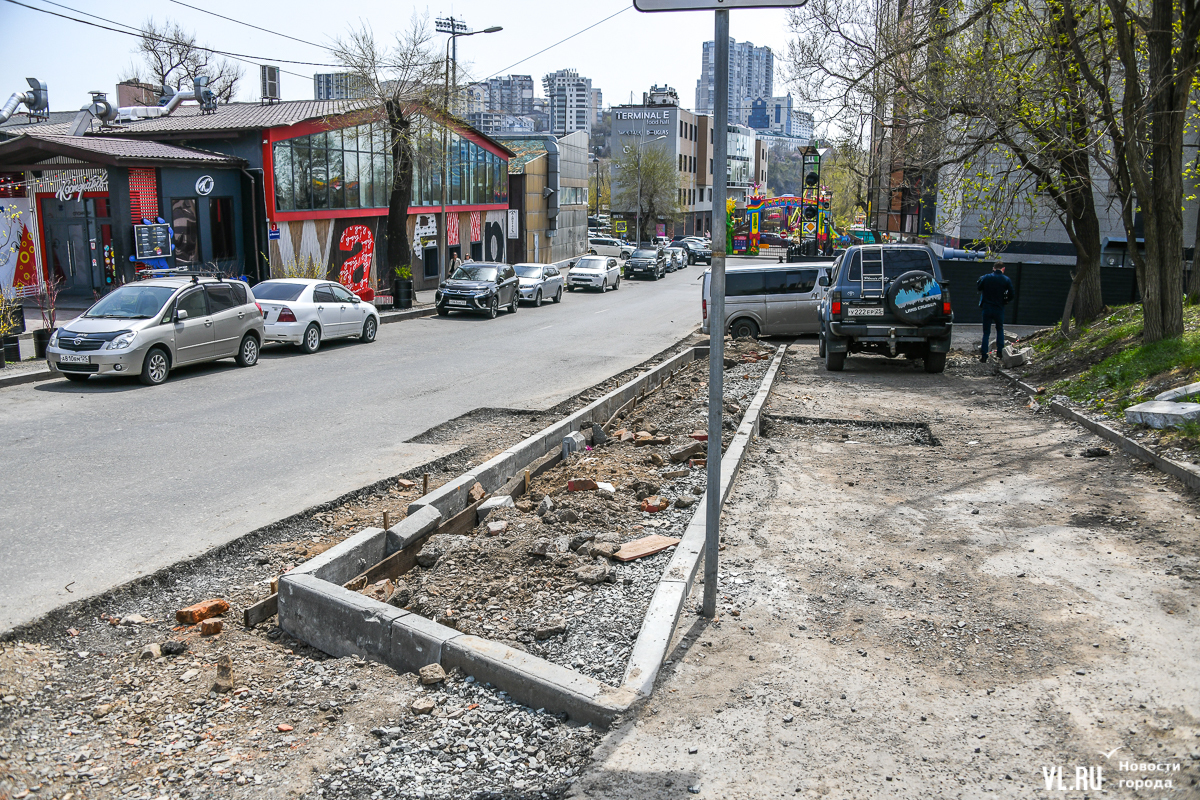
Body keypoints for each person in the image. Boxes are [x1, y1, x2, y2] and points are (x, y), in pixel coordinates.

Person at [976, 263, 1015, 362]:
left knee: (986, 332)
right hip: (999, 308)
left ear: (993, 268)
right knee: (1000, 329)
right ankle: (1000, 352)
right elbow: (1012, 294)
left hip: (987, 308)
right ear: (1003, 269)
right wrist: (1005, 300)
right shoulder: (1006, 279)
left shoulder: (986, 277)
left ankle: (984, 355)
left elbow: (979, 287)